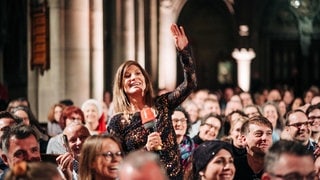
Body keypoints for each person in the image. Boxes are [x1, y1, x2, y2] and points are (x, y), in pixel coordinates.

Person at [107, 23, 197, 179]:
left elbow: (190, 84)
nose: (134, 78)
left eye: (137, 74)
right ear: (121, 86)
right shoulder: (118, 121)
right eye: (127, 76)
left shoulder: (163, 104)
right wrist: (146, 149)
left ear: (145, 80)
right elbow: (118, 161)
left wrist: (184, 51)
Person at [234, 116, 273, 180]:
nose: (265, 138)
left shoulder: (280, 168)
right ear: (244, 140)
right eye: (258, 134)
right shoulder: (233, 167)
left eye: (269, 133)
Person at [171, 106, 195, 170]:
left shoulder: (194, 147)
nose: (179, 124)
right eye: (175, 120)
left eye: (182, 120)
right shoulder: (158, 146)